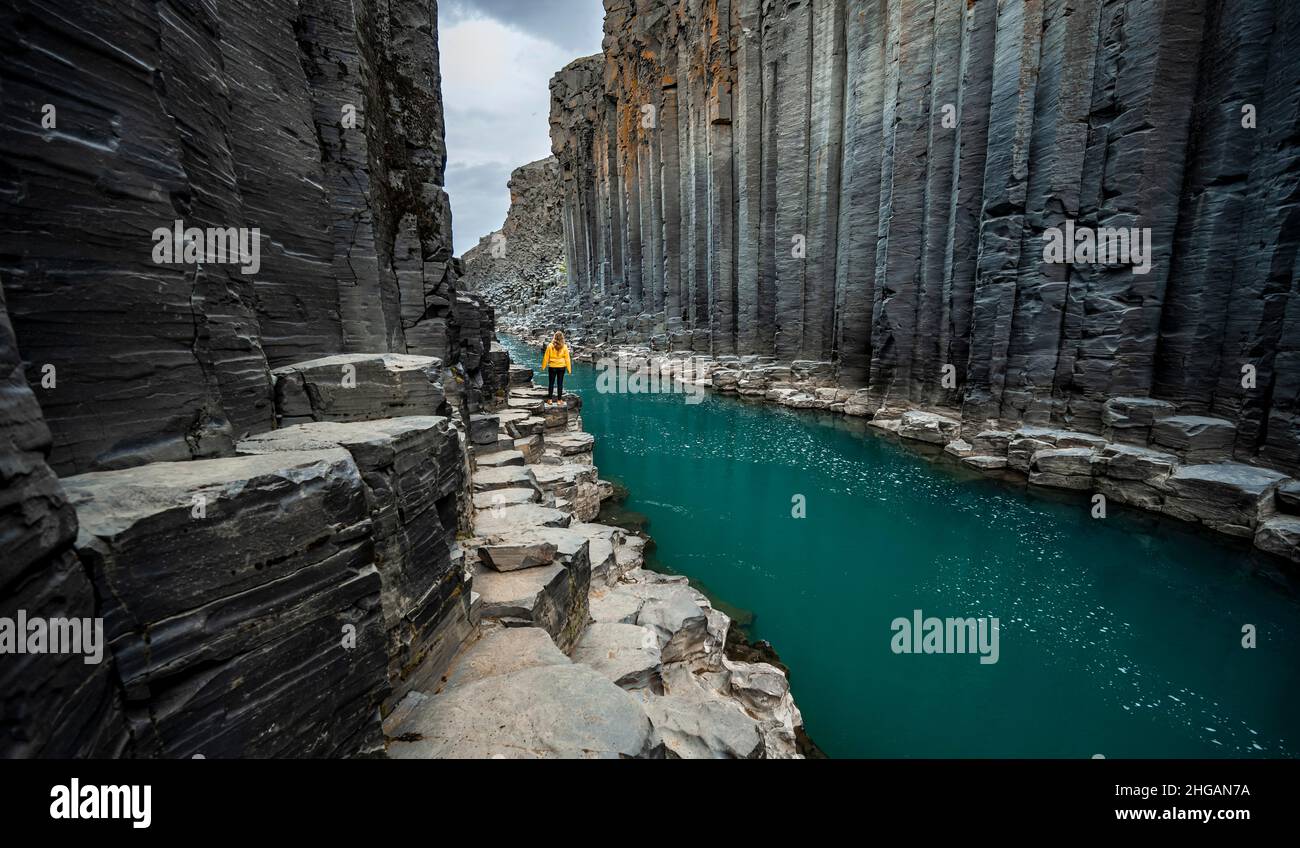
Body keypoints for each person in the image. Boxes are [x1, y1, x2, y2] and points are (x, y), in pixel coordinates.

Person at [541, 331, 572, 404]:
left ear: (554, 337)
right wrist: (569, 369)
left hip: (552, 367)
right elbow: (567, 358)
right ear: (562, 338)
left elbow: (546, 357)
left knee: (551, 383)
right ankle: (559, 400)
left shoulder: (550, 346)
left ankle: (550, 399)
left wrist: (543, 366)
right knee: (560, 384)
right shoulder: (564, 346)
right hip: (561, 367)